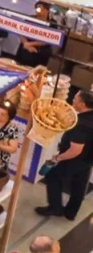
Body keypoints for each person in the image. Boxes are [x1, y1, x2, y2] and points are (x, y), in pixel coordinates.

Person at [36, 89, 93, 220]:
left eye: (76, 99)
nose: (73, 100)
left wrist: (57, 158)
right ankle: (71, 212)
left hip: (76, 159)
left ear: (83, 104)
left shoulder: (81, 124)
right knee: (79, 184)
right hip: (89, 158)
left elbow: (75, 150)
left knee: (53, 176)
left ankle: (55, 207)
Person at [15, 2, 55, 68]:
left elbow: (49, 40)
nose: (37, 10)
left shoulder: (53, 24)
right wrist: (26, 44)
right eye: (36, 8)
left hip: (41, 51)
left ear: (47, 10)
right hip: (26, 48)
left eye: (39, 8)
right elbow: (21, 32)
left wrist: (31, 44)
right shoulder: (30, 18)